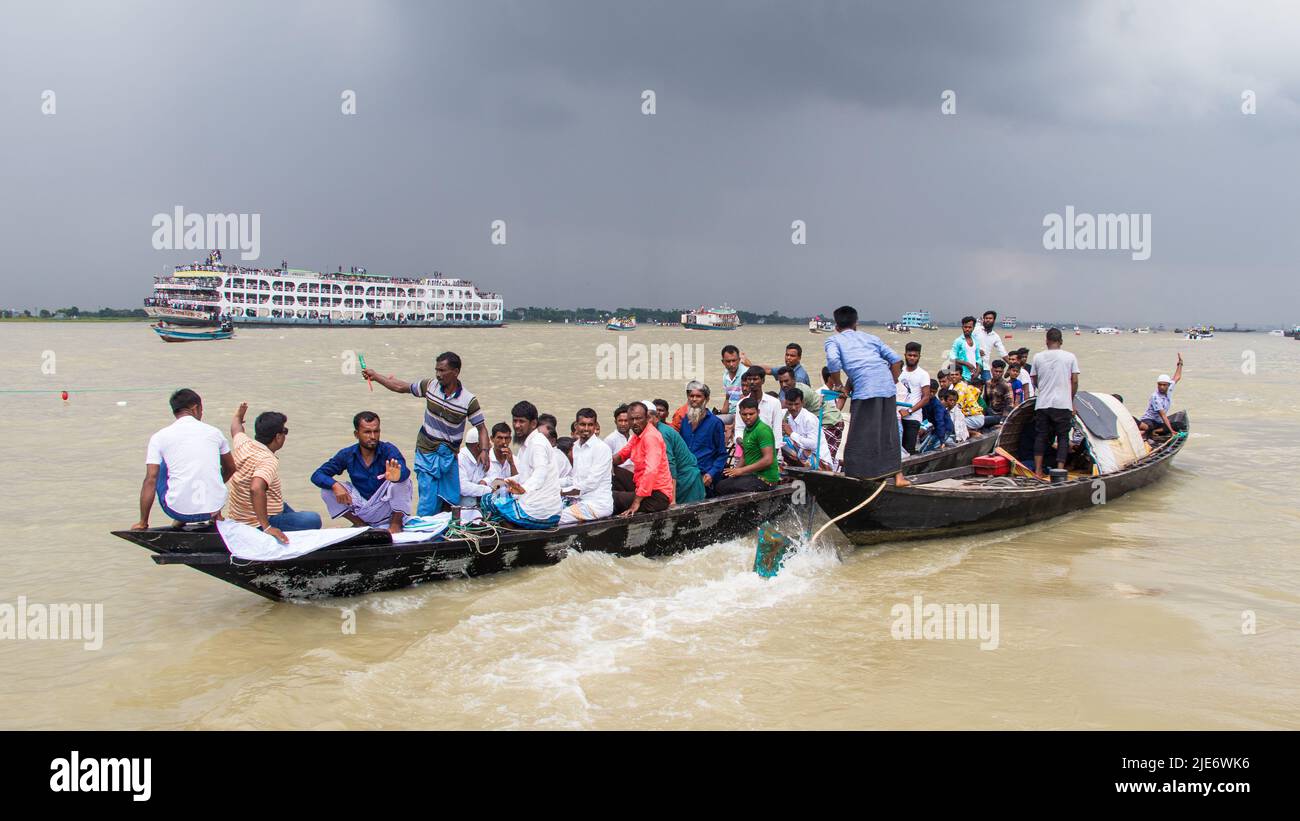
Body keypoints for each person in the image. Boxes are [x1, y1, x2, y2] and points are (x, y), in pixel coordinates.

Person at [362, 351, 489, 515]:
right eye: (436, 370)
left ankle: (445, 533)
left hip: (449, 456)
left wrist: (485, 451)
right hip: (426, 452)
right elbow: (401, 387)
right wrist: (376, 376)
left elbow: (482, 428)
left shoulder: (468, 400)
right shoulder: (430, 386)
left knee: (450, 500)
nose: (438, 375)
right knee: (427, 501)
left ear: (455, 372)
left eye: (442, 371)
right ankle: (424, 530)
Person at [824, 306, 909, 485]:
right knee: (888, 432)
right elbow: (895, 360)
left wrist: (839, 385)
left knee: (859, 433)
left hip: (865, 389)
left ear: (836, 326)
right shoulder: (871, 338)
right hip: (886, 387)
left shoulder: (834, 340)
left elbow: (833, 362)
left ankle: (857, 474)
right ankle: (898, 476)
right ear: (856, 323)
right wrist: (891, 381)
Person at [132, 388, 236, 530]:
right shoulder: (215, 433)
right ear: (195, 408)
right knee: (207, 461)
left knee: (160, 467)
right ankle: (216, 516)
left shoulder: (159, 437)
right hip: (213, 508)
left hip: (177, 511)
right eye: (201, 410)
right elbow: (231, 468)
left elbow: (151, 479)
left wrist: (143, 522)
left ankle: (177, 518)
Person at [226, 404, 321, 542]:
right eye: (285, 431)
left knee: (284, 506)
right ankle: (269, 529)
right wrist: (266, 527)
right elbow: (256, 488)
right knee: (313, 519)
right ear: (278, 437)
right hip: (254, 523)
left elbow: (236, 428)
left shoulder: (244, 444)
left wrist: (238, 415)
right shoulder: (267, 459)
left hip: (241, 514)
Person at [310, 411, 412, 533]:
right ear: (356, 434)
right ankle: (360, 525)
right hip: (362, 506)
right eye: (367, 432)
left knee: (403, 482)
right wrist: (335, 485)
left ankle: (395, 525)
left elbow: (404, 471)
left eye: (376, 431)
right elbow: (317, 475)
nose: (373, 436)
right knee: (327, 490)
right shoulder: (347, 454)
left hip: (386, 506)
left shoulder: (388, 450)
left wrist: (398, 476)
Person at [479, 401, 563, 528]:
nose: (517, 425)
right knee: (497, 488)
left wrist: (523, 489)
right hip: (539, 508)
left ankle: (512, 528)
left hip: (541, 514)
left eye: (521, 421)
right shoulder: (526, 445)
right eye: (515, 421)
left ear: (533, 423)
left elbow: (540, 473)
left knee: (487, 500)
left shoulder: (537, 444)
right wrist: (506, 481)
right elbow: (525, 475)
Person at [1031, 328, 1081, 479]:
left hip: (1043, 403)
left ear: (1046, 341)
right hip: (1062, 404)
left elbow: (1034, 379)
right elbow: (1075, 381)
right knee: (1063, 437)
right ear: (1061, 342)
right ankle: (1060, 471)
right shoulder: (1070, 357)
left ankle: (1038, 471)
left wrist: (1044, 388)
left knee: (1041, 436)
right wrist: (1070, 399)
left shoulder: (1038, 357)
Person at [611, 402, 674, 515]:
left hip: (657, 496)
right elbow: (621, 456)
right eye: (631, 419)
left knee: (611, 497)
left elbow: (651, 471)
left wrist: (636, 502)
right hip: (641, 486)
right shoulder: (637, 434)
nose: (635, 423)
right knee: (613, 471)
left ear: (647, 418)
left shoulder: (650, 437)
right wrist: (602, 462)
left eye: (638, 418)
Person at [714, 398, 781, 494]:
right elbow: (746, 454)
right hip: (753, 475)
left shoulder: (762, 430)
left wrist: (741, 471)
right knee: (720, 479)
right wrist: (735, 471)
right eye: (744, 414)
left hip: (765, 480)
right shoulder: (747, 429)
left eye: (751, 414)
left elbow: (768, 460)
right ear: (740, 414)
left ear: (758, 412)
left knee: (722, 487)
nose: (748, 417)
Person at [559, 408, 614, 524]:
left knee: (555, 517)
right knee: (543, 509)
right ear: (576, 426)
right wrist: (551, 483)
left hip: (597, 505)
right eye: (583, 424)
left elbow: (590, 484)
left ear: (595, 426)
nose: (586, 429)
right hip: (580, 500)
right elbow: (575, 479)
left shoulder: (602, 448)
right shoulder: (576, 447)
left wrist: (561, 491)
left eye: (590, 425)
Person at [651, 399, 707, 503]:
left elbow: (670, 464)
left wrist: (673, 499)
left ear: (655, 418)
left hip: (687, 480)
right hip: (685, 477)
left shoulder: (661, 433)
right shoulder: (656, 431)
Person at [678, 381, 728, 494]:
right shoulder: (685, 420)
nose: (694, 399)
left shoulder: (715, 423)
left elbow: (722, 454)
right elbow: (681, 449)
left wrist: (711, 474)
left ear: (706, 399)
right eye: (691, 396)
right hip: (686, 475)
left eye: (698, 396)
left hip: (705, 477)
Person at [733, 366, 784, 453]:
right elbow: (739, 428)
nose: (752, 382)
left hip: (770, 448)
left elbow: (777, 430)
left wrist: (773, 452)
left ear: (763, 380)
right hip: (748, 449)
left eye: (755, 379)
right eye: (749, 379)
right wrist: (741, 441)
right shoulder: (740, 404)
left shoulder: (774, 403)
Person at [780, 388, 835, 469]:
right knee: (780, 443)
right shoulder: (790, 418)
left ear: (802, 403)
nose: (793, 408)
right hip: (806, 457)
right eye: (790, 404)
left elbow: (813, 445)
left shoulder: (809, 419)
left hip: (821, 463)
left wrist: (791, 434)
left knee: (787, 441)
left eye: (796, 404)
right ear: (785, 403)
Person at [896, 341, 931, 454]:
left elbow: (926, 398)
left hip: (913, 417)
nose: (912, 358)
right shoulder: (899, 372)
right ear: (905, 355)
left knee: (908, 449)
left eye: (915, 356)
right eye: (909, 355)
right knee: (894, 449)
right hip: (897, 416)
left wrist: (909, 411)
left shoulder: (923, 374)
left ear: (919, 357)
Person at [1139, 354, 1184, 438]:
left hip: (1158, 422)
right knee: (1150, 427)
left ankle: (1155, 431)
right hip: (1149, 420)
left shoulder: (1170, 388)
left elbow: (1177, 377)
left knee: (1179, 425)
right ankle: (1150, 431)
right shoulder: (1155, 397)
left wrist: (1180, 364)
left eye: (1164, 385)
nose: (1161, 387)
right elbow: (1163, 415)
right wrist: (1171, 432)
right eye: (1160, 385)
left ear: (1168, 385)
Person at [743, 343, 810, 386]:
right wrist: (750, 365)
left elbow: (798, 401)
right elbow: (769, 370)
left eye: (792, 356)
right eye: (787, 355)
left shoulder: (799, 377)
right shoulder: (786, 370)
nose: (788, 358)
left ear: (799, 358)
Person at [972, 310, 1009, 381]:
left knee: (989, 385)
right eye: (986, 318)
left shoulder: (995, 336)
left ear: (994, 320)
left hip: (985, 366)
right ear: (983, 319)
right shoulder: (976, 330)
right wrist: (976, 350)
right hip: (972, 363)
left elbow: (1002, 352)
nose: (988, 320)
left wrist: (1011, 364)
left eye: (990, 318)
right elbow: (966, 341)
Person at [919, 378, 953, 449]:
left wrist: (942, 440)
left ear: (936, 391)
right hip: (935, 428)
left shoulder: (937, 405)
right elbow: (923, 416)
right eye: (930, 391)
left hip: (945, 428)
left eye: (934, 392)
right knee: (922, 449)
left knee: (927, 450)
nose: (931, 394)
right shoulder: (924, 400)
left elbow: (940, 422)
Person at [819, 366, 846, 456]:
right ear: (830, 378)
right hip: (826, 427)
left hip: (832, 424)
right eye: (836, 377)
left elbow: (836, 411)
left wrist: (842, 397)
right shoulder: (822, 393)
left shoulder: (833, 393)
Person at [948, 316, 984, 382]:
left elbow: (978, 358)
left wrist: (977, 372)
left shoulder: (976, 341)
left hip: (974, 376)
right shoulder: (958, 341)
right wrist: (967, 364)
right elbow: (952, 357)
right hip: (962, 376)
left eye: (970, 327)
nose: (967, 329)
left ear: (973, 328)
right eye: (965, 327)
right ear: (962, 327)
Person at [717, 345, 744, 425]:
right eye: (728, 361)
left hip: (741, 414)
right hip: (730, 413)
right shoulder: (725, 375)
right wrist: (720, 411)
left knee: (714, 422)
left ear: (739, 360)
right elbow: (728, 399)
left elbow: (746, 400)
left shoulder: (745, 374)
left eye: (734, 360)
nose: (731, 364)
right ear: (723, 362)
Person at [981, 359, 1013, 425]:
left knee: (980, 421)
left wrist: (1003, 420)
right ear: (992, 370)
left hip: (999, 415)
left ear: (1003, 372)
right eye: (996, 371)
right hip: (989, 412)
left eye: (1000, 372)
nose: (998, 373)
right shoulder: (988, 383)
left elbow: (1009, 404)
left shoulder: (1006, 385)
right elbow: (985, 401)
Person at [604, 404, 634, 470]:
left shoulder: (633, 438)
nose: (623, 424)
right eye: (620, 421)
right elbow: (605, 463)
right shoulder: (610, 439)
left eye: (626, 421)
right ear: (615, 422)